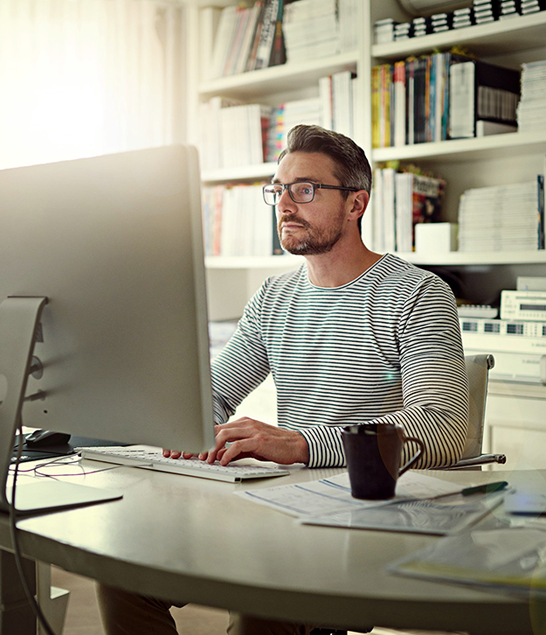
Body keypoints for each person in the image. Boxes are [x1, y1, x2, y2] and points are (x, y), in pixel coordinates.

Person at [97, 124, 470, 635]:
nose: (285, 205)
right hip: (276, 508)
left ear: (356, 203)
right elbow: (212, 395)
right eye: (279, 190)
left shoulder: (416, 293)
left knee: (262, 600)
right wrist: (194, 431)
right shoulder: (273, 297)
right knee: (122, 570)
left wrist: (300, 444)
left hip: (362, 521)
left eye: (305, 190)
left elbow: (443, 425)